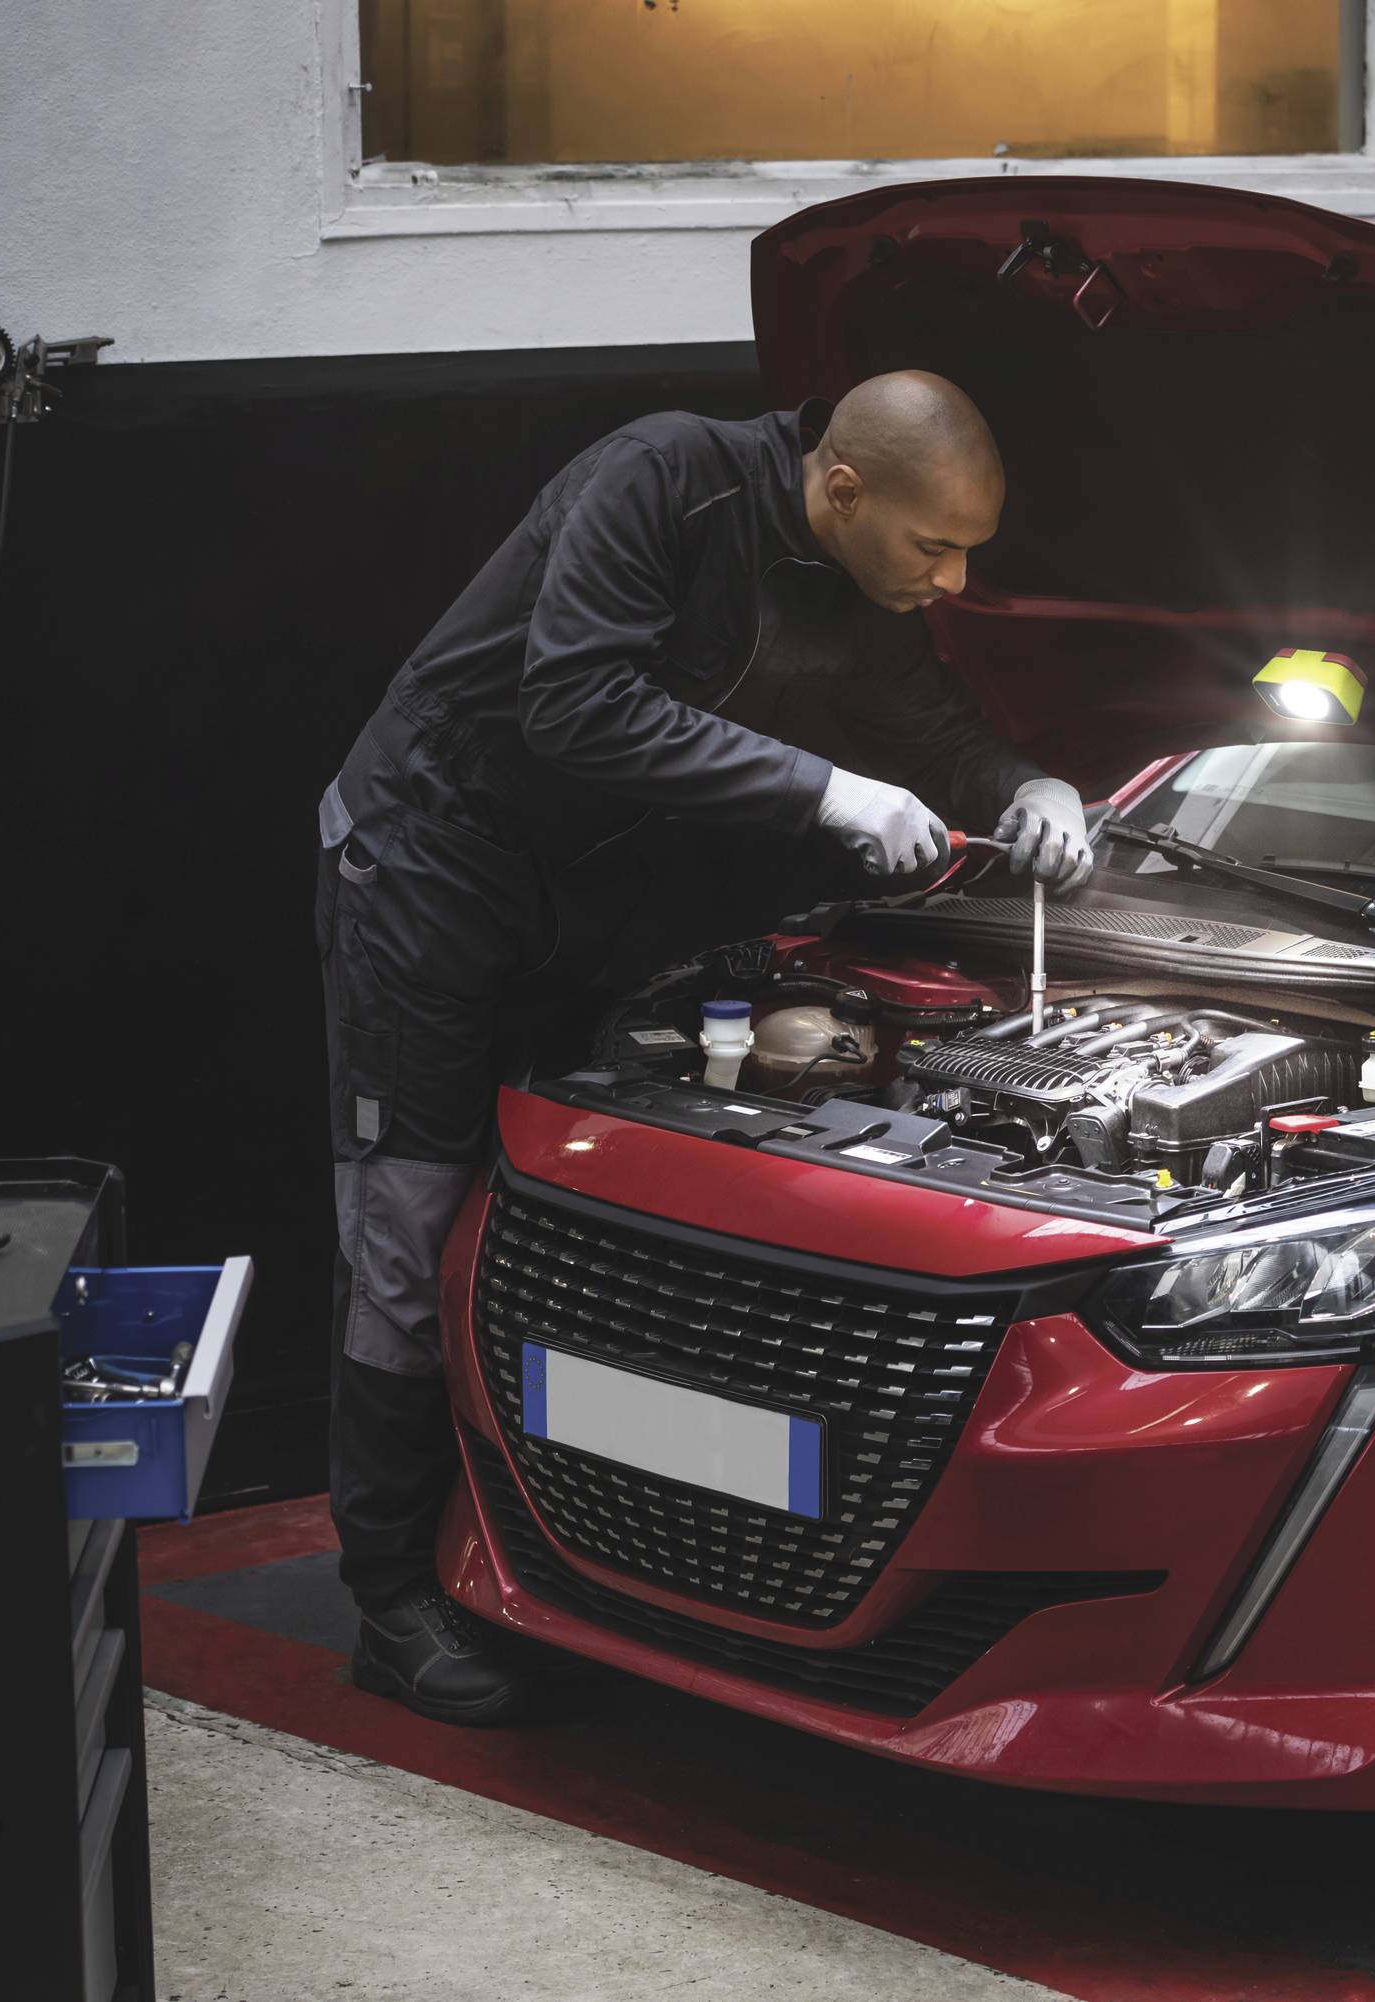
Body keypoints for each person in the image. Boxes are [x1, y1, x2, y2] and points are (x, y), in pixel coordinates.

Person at [314, 371, 1091, 1722]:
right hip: (427, 859)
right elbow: (575, 702)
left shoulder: (866, 582)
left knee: (595, 1213)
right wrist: (826, 790)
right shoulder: (663, 477)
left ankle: (575, 1552)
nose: (956, 578)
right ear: (841, 488)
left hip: (588, 893)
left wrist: (1030, 785)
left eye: (970, 547)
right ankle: (389, 1593)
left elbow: (932, 725)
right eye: (934, 546)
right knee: (411, 1214)